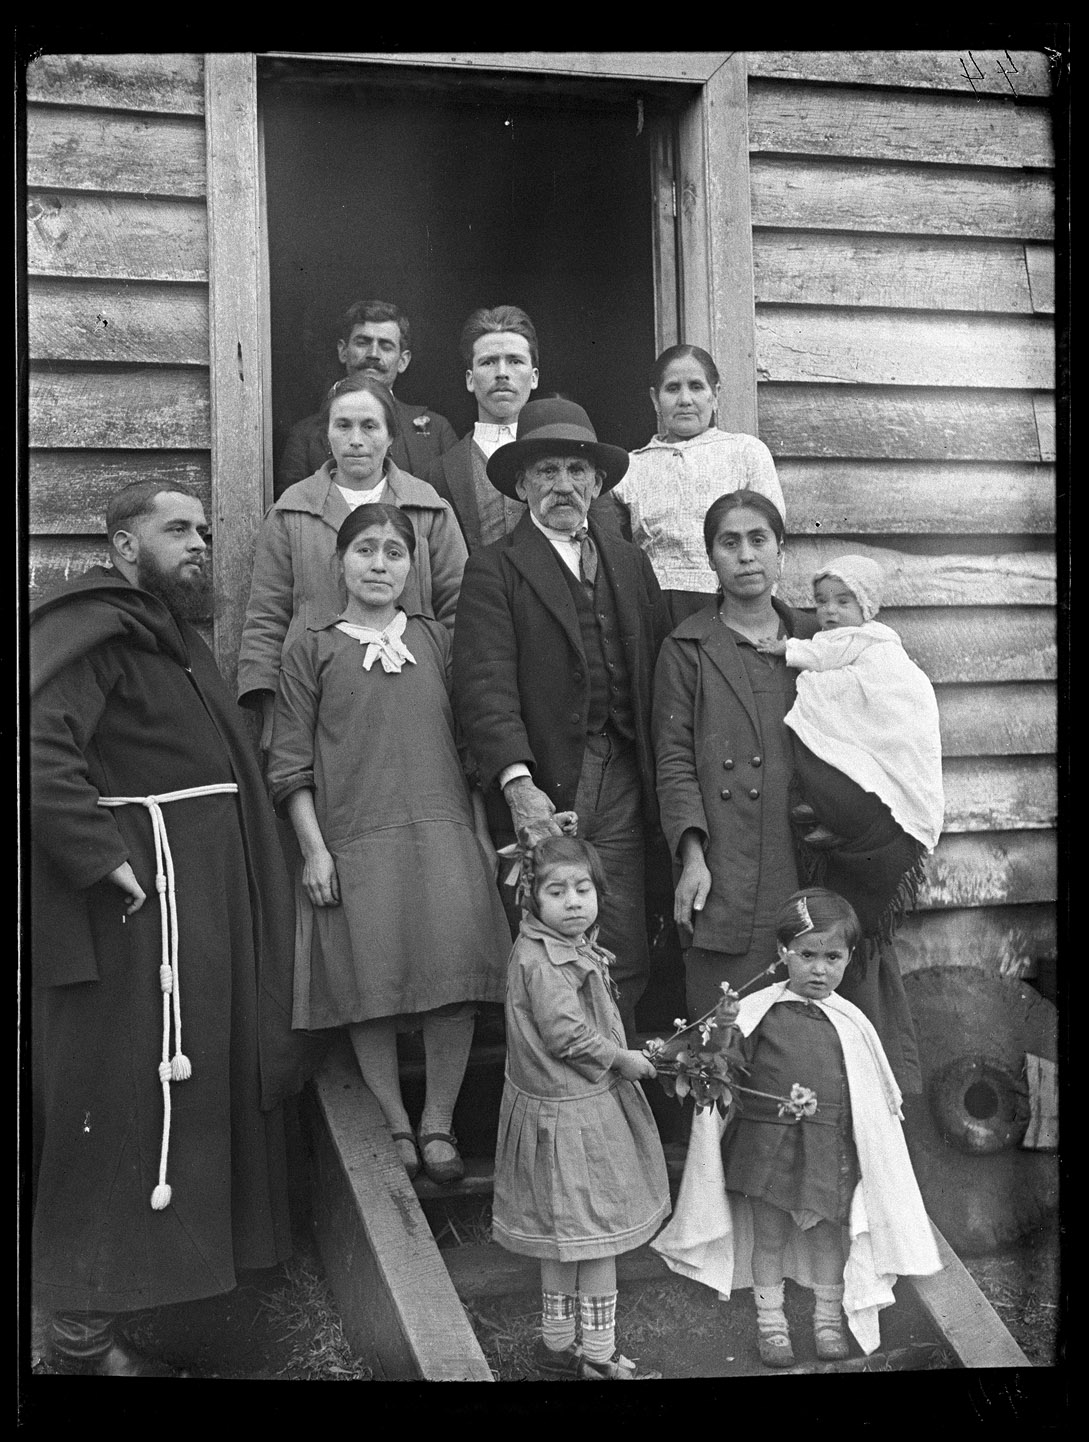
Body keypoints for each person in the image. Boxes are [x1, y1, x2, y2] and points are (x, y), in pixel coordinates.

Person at [30, 482, 315, 1376]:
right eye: (177, 529)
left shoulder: (170, 637)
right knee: (118, 1094)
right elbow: (38, 745)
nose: (199, 543)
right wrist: (98, 856)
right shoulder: (91, 629)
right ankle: (81, 1337)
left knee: (187, 1093)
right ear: (123, 545)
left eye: (204, 530)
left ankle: (174, 1300)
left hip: (202, 904)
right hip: (140, 906)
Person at [266, 504, 509, 1185]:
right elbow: (289, 761)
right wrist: (315, 850)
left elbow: (469, 747)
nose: (379, 564)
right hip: (354, 838)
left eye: (394, 552)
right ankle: (395, 1121)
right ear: (339, 561)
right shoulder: (310, 647)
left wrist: (480, 837)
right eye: (365, 550)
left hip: (443, 831)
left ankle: (438, 1122)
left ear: (413, 565)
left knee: (453, 980)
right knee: (368, 984)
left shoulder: (437, 639)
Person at [452, 398, 670, 1040]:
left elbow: (654, 671)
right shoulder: (494, 567)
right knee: (547, 942)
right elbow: (484, 688)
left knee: (623, 937)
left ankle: (619, 1074)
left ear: (598, 484)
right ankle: (555, 1081)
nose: (564, 486)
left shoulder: (629, 562)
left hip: (624, 776)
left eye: (577, 471)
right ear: (522, 486)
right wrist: (519, 788)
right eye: (547, 472)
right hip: (548, 785)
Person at [652, 888, 941, 1366]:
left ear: (849, 958)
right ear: (783, 952)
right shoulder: (759, 1011)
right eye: (807, 955)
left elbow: (870, 1102)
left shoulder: (852, 1022)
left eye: (832, 957)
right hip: (766, 1146)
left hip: (826, 1149)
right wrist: (723, 1028)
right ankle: (772, 1325)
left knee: (826, 1237)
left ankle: (828, 1321)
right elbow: (723, 1067)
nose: (819, 969)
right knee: (768, 1236)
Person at [755, 555, 943, 1090]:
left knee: (859, 952)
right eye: (823, 603)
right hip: (847, 832)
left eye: (844, 602)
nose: (831, 612)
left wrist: (789, 652)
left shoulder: (875, 645)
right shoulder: (838, 644)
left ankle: (880, 1082)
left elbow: (897, 720)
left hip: (878, 819)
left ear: (867, 607)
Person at [492, 836, 670, 1380]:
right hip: (571, 1117)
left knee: (564, 1236)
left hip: (565, 1109)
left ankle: (557, 1347)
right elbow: (566, 1034)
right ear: (532, 898)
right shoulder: (545, 960)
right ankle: (597, 1353)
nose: (572, 901)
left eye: (583, 888)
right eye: (556, 891)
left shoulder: (562, 946)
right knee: (594, 1236)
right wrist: (621, 1059)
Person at [652, 491, 818, 1022]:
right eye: (729, 543)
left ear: (780, 552)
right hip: (727, 860)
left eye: (758, 540)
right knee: (726, 1029)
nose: (745, 555)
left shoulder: (818, 640)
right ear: (710, 558)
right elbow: (674, 762)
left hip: (810, 854)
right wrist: (692, 858)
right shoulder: (687, 648)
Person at [238, 374, 467, 750]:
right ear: (326, 434)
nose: (356, 439)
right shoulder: (291, 511)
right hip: (315, 700)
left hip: (414, 697)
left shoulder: (427, 508)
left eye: (370, 426)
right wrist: (272, 714)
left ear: (391, 436)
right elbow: (266, 618)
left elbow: (459, 610)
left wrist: (457, 703)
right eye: (343, 425)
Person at [611, 345, 786, 627]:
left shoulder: (745, 452)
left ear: (714, 394)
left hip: (730, 605)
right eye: (672, 388)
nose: (685, 399)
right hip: (653, 609)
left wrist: (760, 613)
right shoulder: (630, 467)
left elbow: (771, 538)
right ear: (655, 399)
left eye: (696, 386)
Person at [277, 298, 457, 493]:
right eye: (363, 343)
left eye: (386, 346)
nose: (373, 354)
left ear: (403, 361)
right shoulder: (305, 436)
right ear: (343, 351)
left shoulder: (437, 432)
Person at [425, 305, 540, 552]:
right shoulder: (438, 472)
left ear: (534, 377)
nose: (502, 373)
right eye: (488, 362)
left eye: (515, 361)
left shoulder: (561, 451)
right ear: (470, 379)